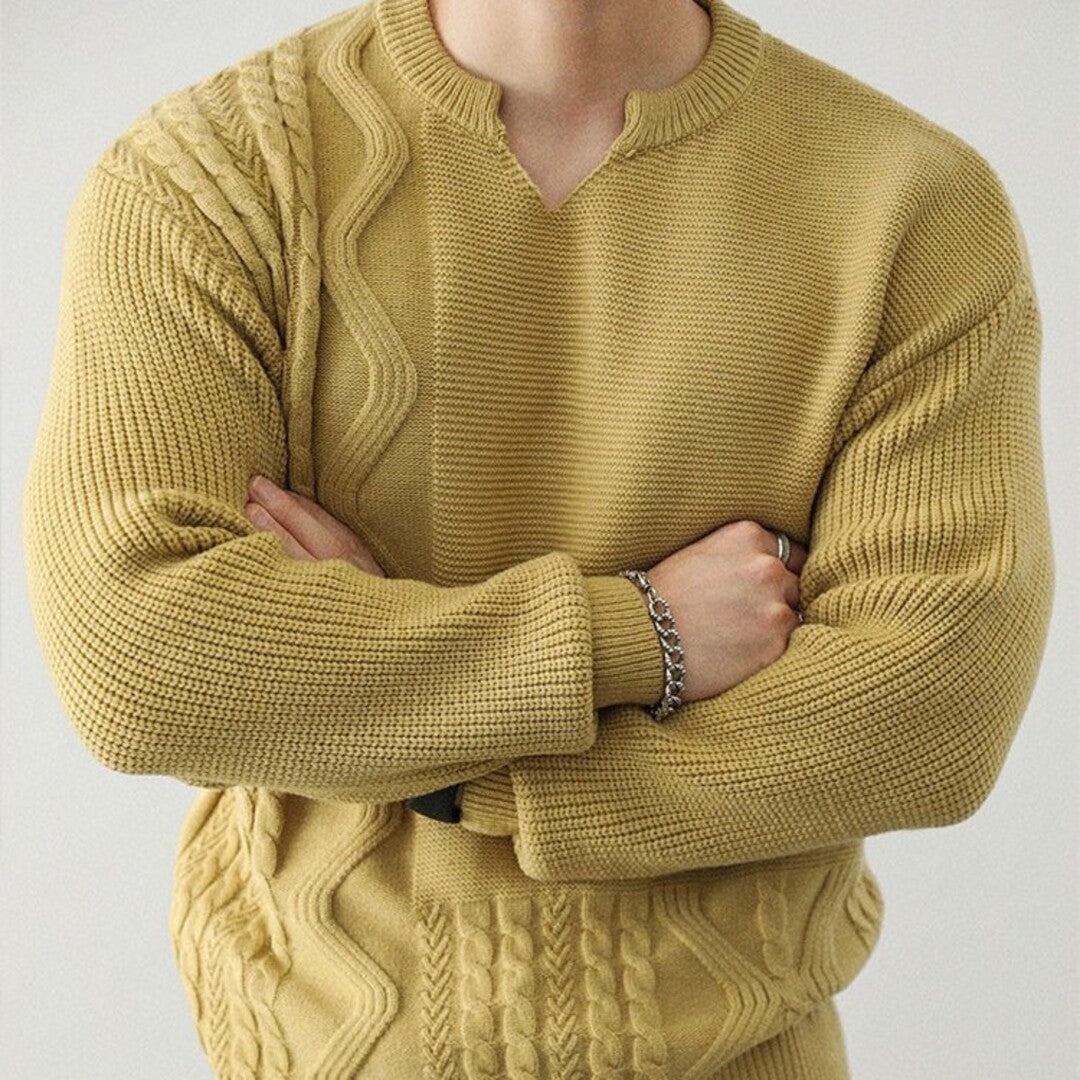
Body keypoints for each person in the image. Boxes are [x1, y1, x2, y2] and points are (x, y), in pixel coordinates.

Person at [21, 0, 1054, 1076]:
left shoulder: (911, 202)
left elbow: (930, 717)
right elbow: (139, 661)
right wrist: (641, 635)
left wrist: (445, 776)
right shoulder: (212, 172)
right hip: (320, 1046)